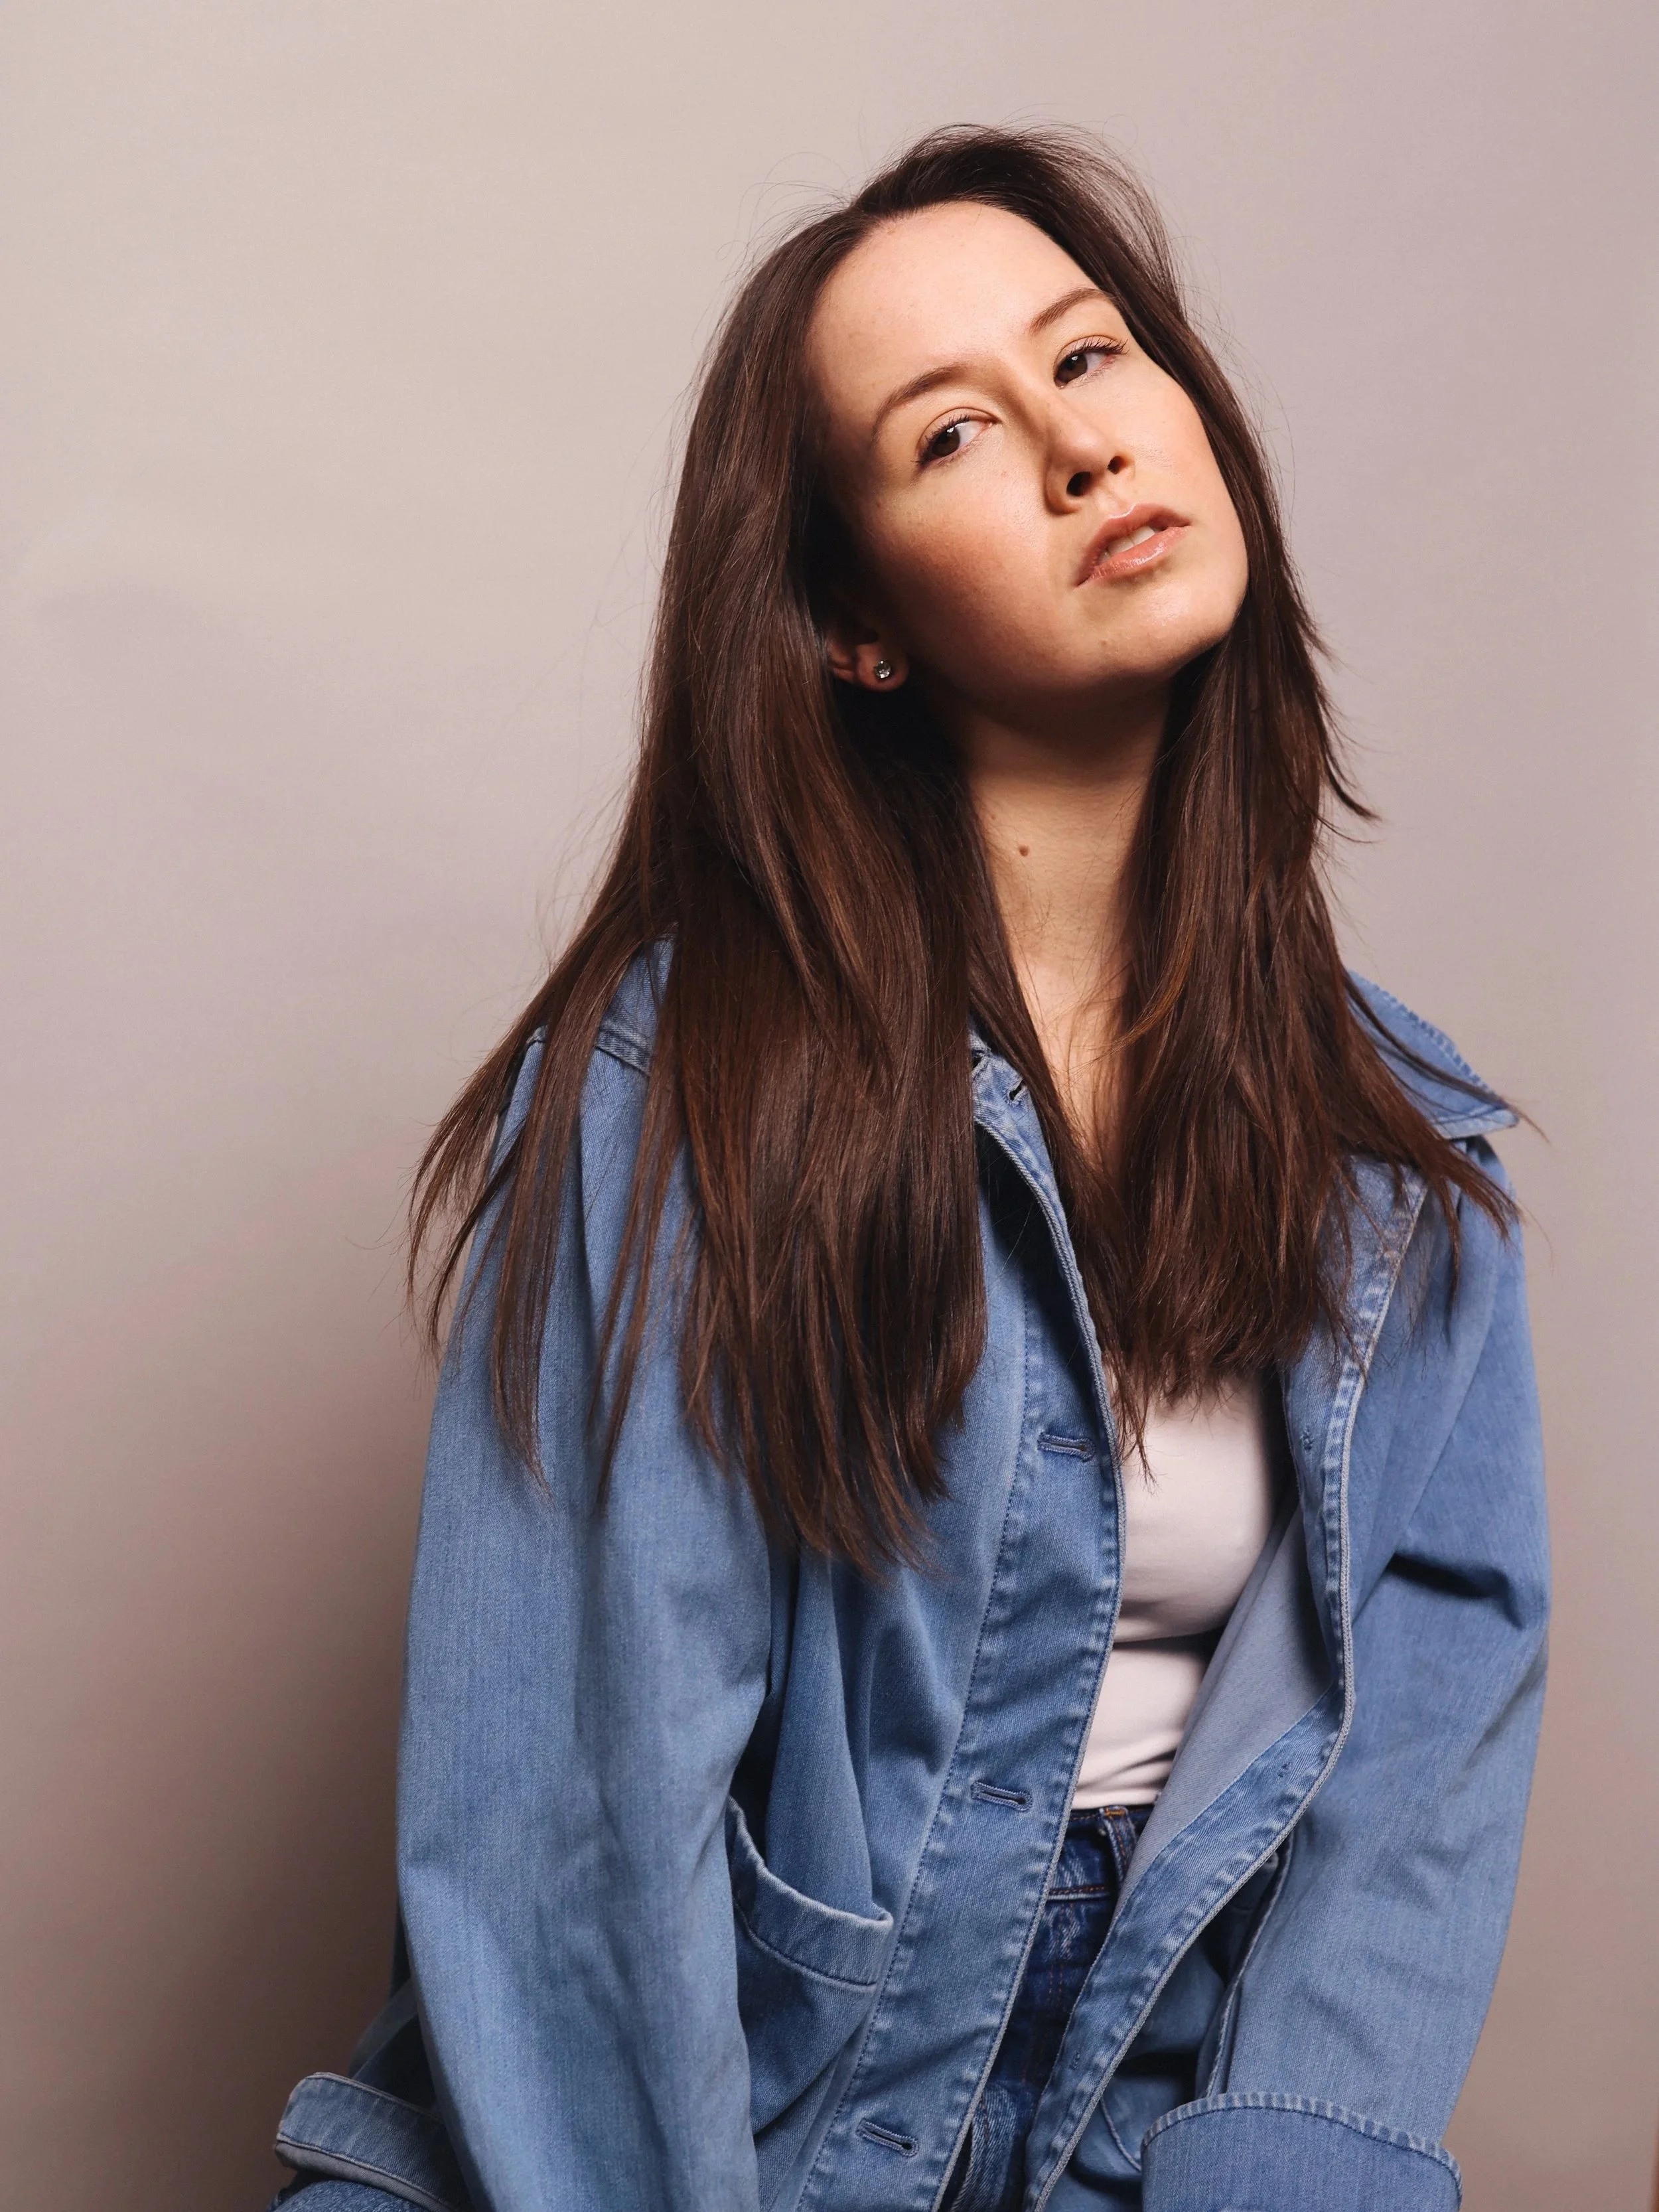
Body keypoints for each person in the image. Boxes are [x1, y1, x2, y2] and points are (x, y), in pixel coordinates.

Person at [269, 126, 1548, 2212]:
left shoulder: (1402, 1162)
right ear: (855, 623)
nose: (1077, 445)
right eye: (951, 432)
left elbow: (1407, 1799)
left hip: (1134, 2130)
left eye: (1090, 355)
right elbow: (570, 1826)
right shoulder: (681, 1086)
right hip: (670, 2119)